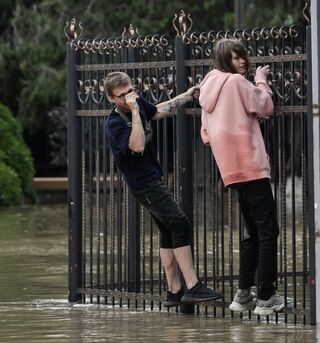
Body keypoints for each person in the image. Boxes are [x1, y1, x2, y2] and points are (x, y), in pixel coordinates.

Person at [104, 71, 223, 308]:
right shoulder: (115, 123)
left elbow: (158, 110)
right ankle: (193, 286)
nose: (129, 97)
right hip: (144, 185)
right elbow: (137, 145)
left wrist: (186, 97)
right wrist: (135, 111)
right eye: (122, 96)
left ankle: (174, 292)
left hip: (152, 179)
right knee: (180, 223)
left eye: (130, 91)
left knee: (169, 231)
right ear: (111, 99)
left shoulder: (137, 102)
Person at [199, 38, 284, 316]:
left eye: (243, 56)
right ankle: (267, 297)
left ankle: (243, 294)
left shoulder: (208, 88)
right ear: (225, 60)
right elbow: (265, 106)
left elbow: (206, 135)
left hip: (230, 169)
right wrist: (261, 79)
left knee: (253, 232)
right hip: (251, 165)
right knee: (269, 230)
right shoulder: (237, 83)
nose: (242, 62)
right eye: (236, 58)